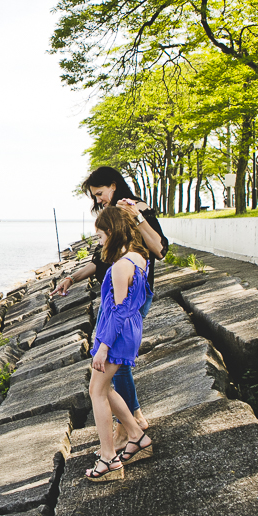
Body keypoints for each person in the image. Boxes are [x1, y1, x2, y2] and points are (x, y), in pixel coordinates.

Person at [51, 166, 168, 450]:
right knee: (114, 366)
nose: (99, 200)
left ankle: (131, 425)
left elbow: (160, 250)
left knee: (116, 363)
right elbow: (99, 260)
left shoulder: (137, 209)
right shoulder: (109, 218)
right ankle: (131, 423)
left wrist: (137, 217)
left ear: (114, 186)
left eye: (100, 193)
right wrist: (71, 278)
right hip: (112, 296)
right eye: (95, 196)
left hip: (129, 298)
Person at [86, 206, 153, 481]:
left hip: (118, 333)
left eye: (101, 236)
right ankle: (136, 435)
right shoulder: (139, 257)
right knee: (104, 387)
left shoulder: (120, 266)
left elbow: (118, 310)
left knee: (96, 392)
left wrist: (103, 346)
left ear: (111, 233)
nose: (100, 242)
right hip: (129, 330)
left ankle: (108, 457)